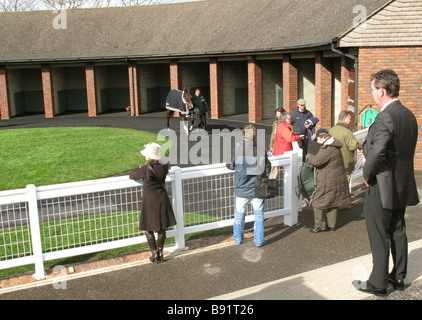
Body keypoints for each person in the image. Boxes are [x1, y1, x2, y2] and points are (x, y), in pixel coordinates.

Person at [353, 70, 419, 296]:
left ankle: (378, 283)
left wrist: (366, 174)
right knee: (398, 231)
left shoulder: (384, 117)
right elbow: (397, 149)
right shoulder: (409, 115)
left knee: (379, 233)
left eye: (372, 89)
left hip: (381, 186)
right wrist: (369, 150)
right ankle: (399, 277)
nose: (372, 93)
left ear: (381, 90)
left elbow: (379, 151)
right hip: (402, 184)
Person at [129, 142, 176, 264]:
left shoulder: (145, 169)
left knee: (148, 228)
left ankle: (154, 253)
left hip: (149, 201)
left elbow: (132, 176)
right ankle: (160, 253)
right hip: (162, 198)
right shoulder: (164, 166)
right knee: (161, 227)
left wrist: (140, 167)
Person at [230, 125, 271, 247]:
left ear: (243, 137)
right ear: (255, 137)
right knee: (259, 215)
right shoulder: (261, 151)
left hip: (242, 187)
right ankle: (258, 241)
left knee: (239, 215)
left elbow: (230, 166)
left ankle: (237, 239)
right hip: (257, 188)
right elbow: (268, 168)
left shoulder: (236, 151)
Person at [307, 129, 351, 233]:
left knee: (318, 201)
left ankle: (319, 226)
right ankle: (331, 226)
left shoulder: (327, 149)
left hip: (328, 180)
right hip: (336, 179)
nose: (317, 141)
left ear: (323, 137)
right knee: (333, 202)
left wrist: (308, 157)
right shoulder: (334, 146)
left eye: (318, 139)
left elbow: (316, 161)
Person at [329, 110, 362, 210]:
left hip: (332, 163)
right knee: (344, 185)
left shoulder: (331, 130)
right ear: (344, 119)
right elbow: (353, 146)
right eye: (349, 119)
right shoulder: (347, 132)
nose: (350, 121)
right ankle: (342, 204)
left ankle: (333, 203)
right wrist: (362, 143)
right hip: (345, 163)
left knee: (333, 185)